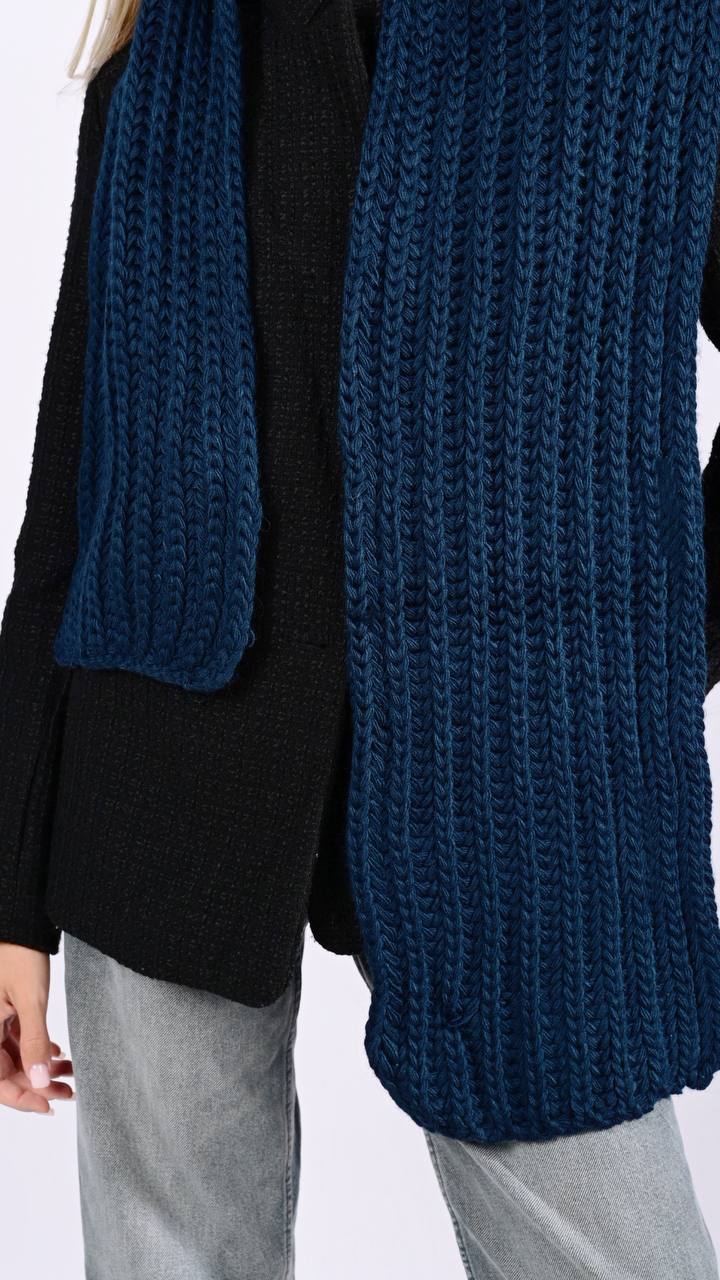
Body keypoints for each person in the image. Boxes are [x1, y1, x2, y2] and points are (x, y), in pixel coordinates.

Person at [1, 1, 720, 1276]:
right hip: (159, 762)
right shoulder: (174, 37)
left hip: (523, 783)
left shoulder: (654, 29)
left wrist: (651, 644)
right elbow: (71, 479)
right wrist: (9, 891)